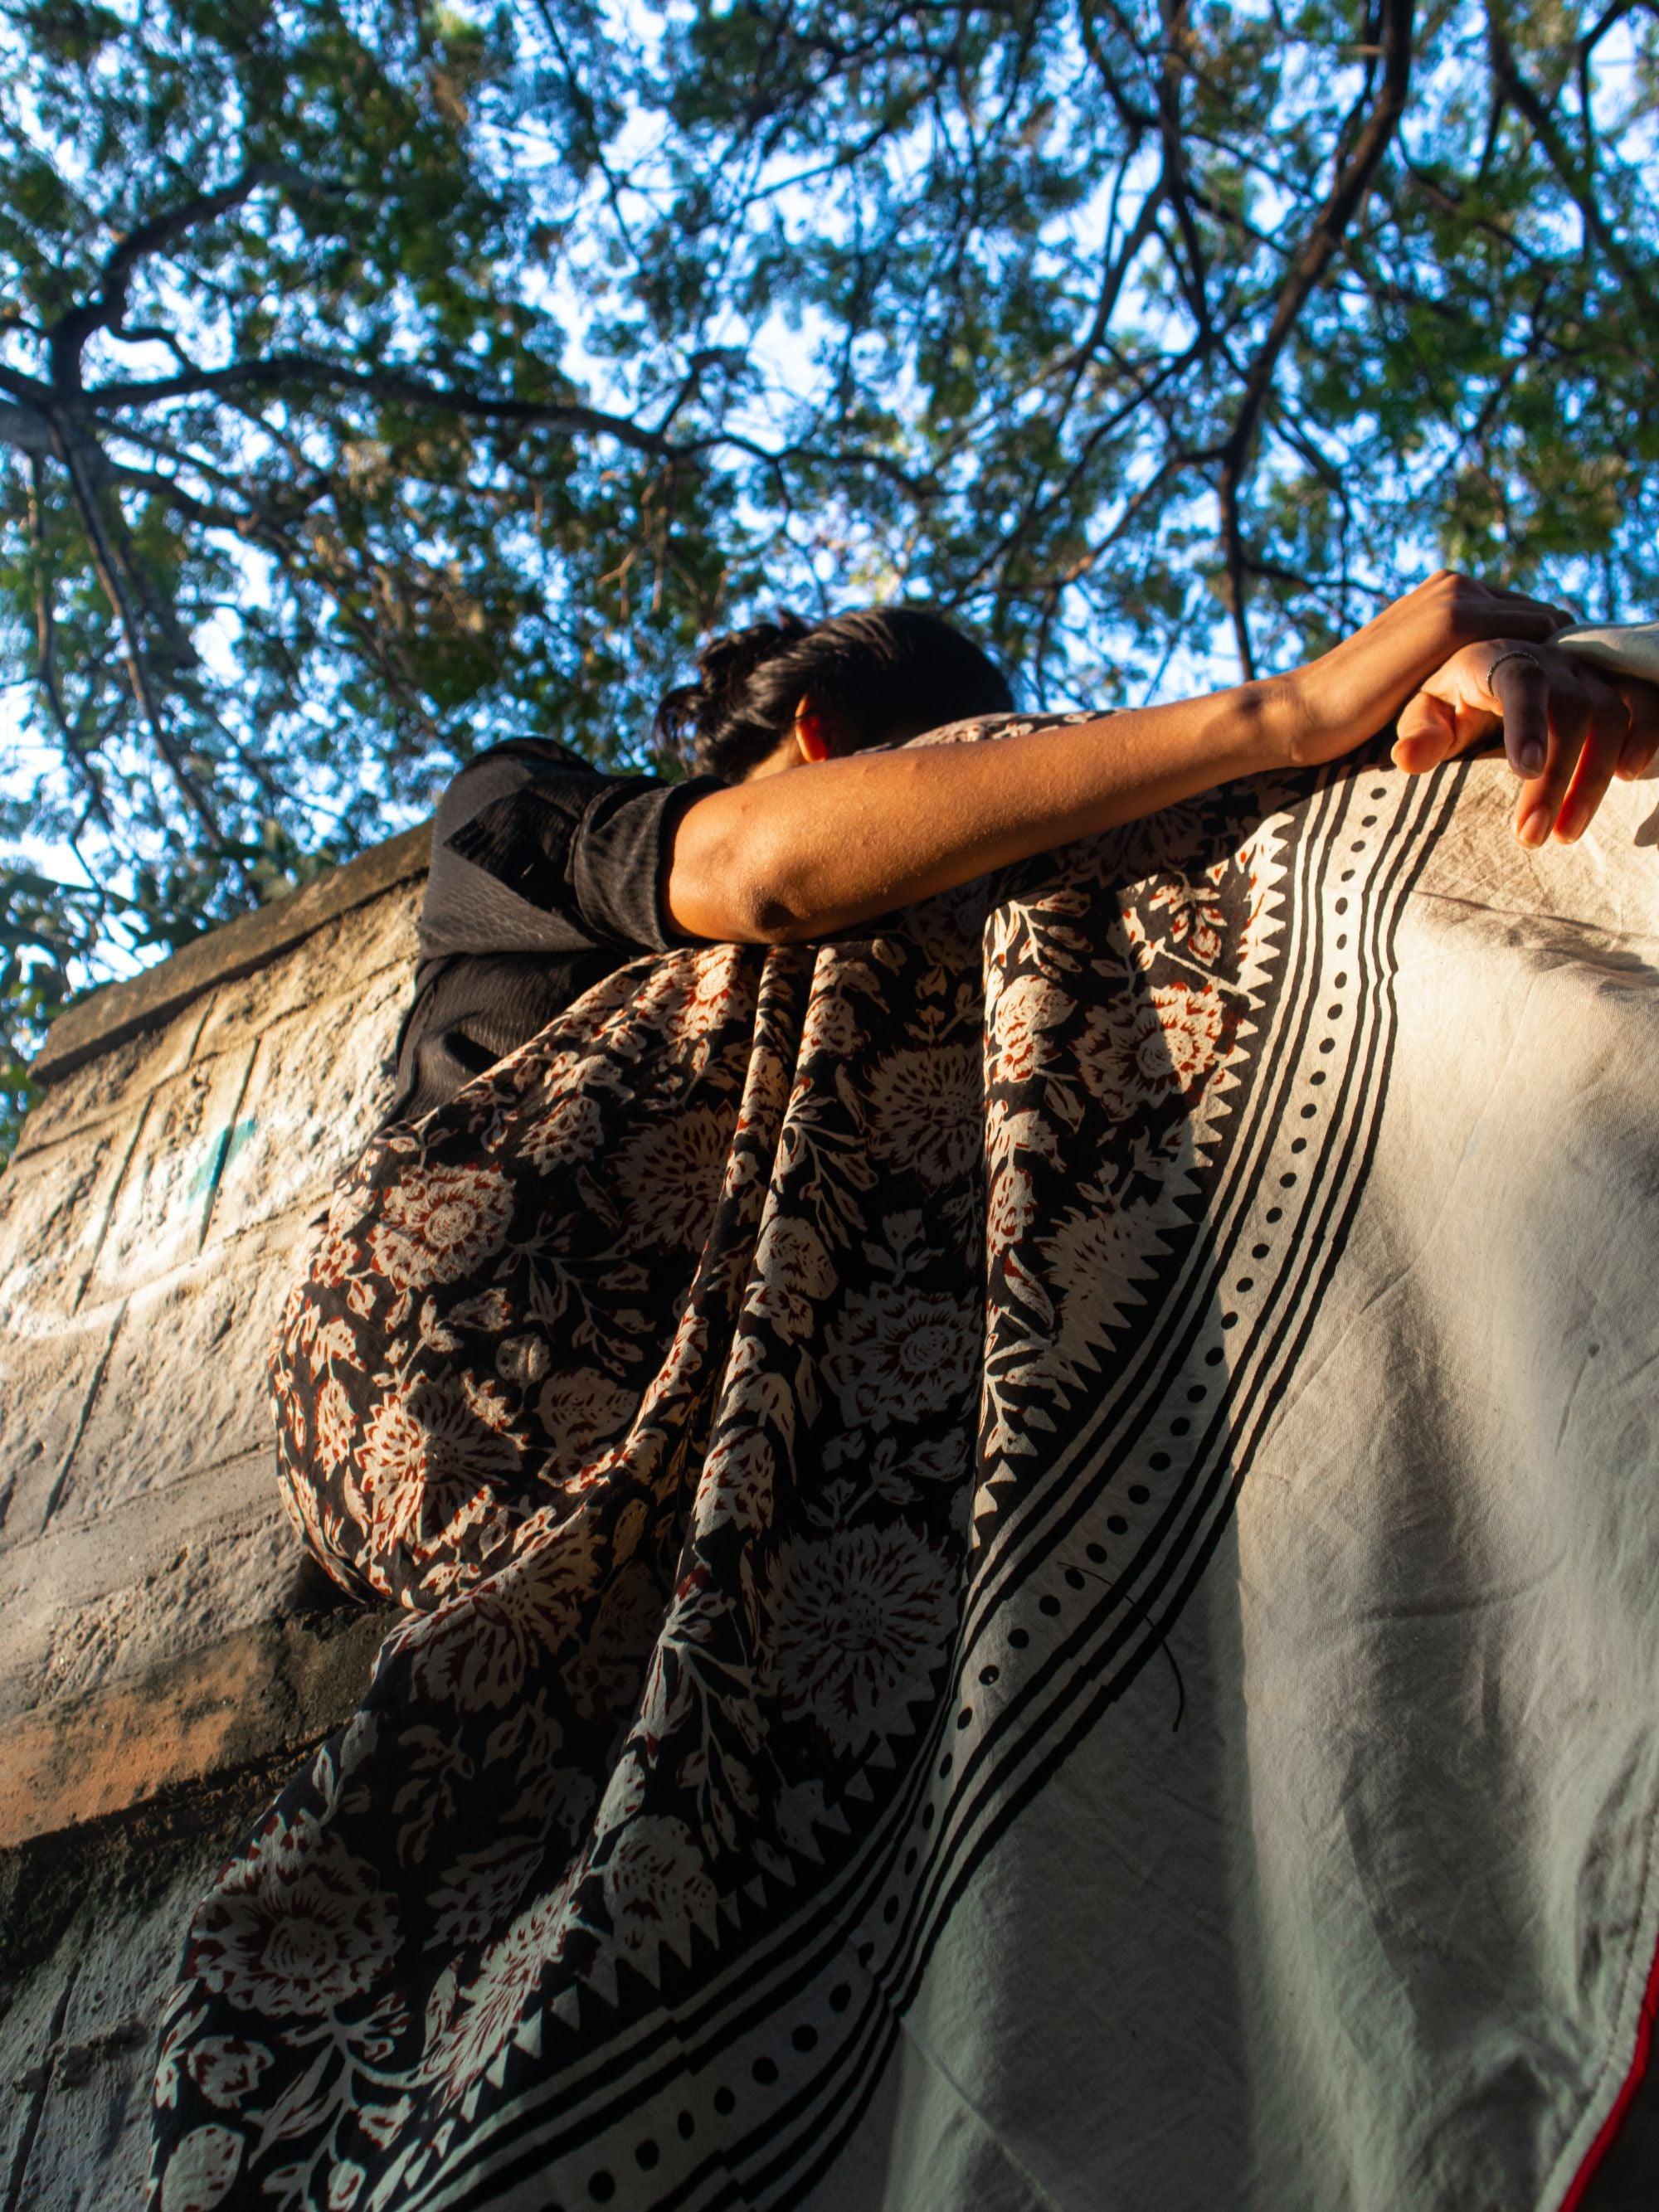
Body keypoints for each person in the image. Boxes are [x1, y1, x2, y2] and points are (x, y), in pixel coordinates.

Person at [388, 572, 1659, 1127]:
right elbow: (755, 874)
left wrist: (1492, 700)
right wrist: (1291, 713)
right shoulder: (515, 806)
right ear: (824, 740)